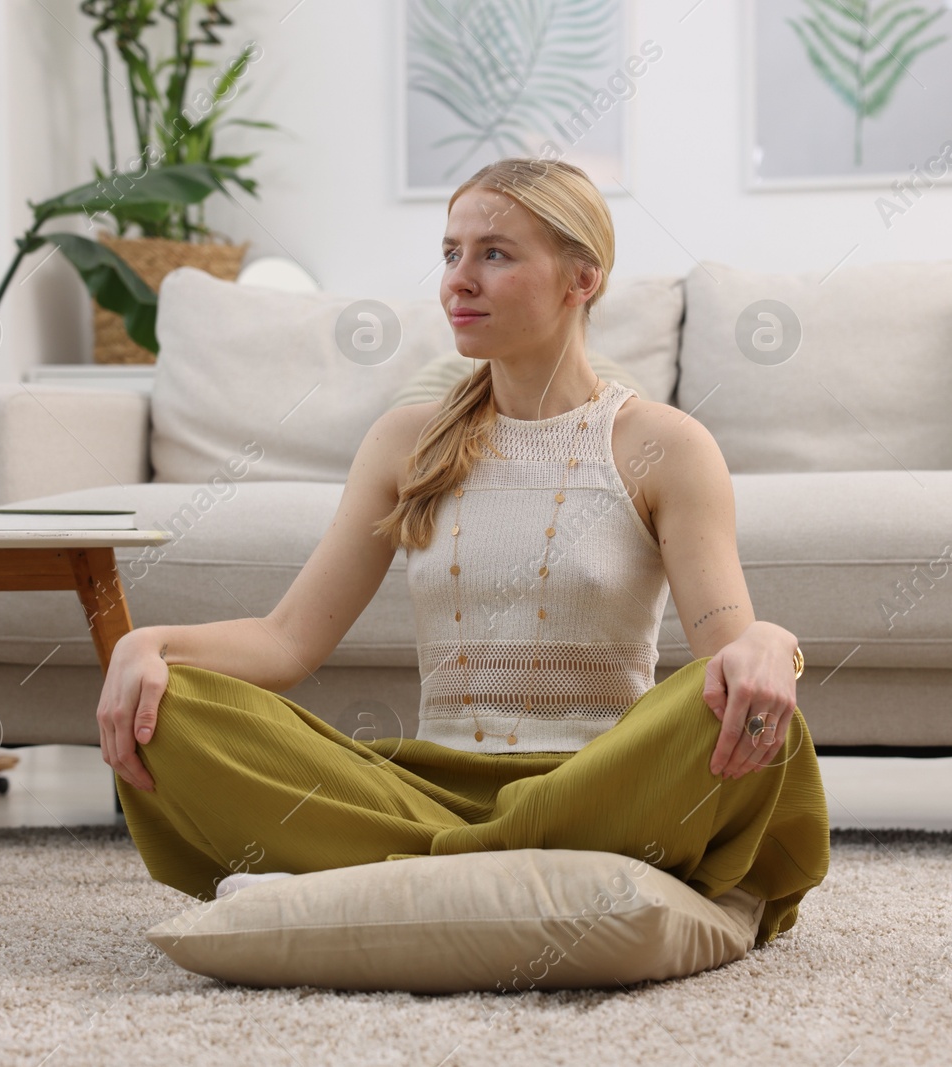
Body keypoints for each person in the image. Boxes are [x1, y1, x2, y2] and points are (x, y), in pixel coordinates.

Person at [98, 157, 829, 946]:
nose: (459, 280)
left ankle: (389, 879)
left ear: (581, 278)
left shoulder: (664, 446)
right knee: (168, 708)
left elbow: (731, 658)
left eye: (496, 254)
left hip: (601, 787)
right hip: (424, 791)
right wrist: (152, 644)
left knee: (764, 728)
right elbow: (285, 641)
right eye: (451, 253)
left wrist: (772, 646)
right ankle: (498, 867)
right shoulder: (404, 442)